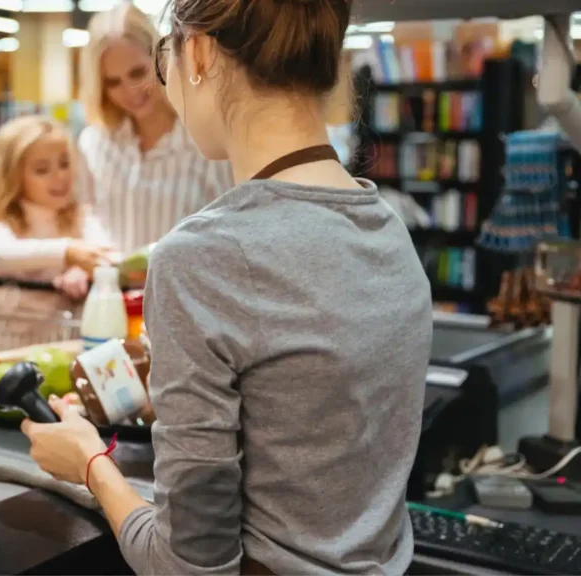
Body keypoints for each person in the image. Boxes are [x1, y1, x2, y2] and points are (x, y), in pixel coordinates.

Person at [21, 0, 432, 574]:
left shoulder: (199, 258)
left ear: (199, 52)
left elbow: (187, 564)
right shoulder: (387, 227)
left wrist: (89, 462)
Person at [76, 2, 233, 255]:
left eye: (138, 73)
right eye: (113, 82)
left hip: (185, 290)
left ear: (162, 57)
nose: (130, 91)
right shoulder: (93, 143)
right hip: (110, 291)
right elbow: (84, 212)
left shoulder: (207, 142)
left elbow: (231, 228)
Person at [0, 115, 112, 365]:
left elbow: (108, 256)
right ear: (13, 176)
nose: (59, 177)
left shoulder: (80, 216)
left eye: (64, 164)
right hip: (2, 353)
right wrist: (69, 252)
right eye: (42, 170)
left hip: (62, 356)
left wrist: (83, 270)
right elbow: (1, 253)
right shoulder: (1, 219)